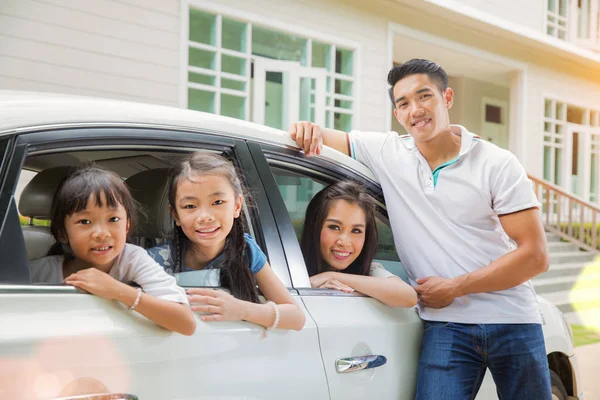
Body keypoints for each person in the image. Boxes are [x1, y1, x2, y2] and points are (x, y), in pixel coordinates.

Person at [289, 59, 551, 399]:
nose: (415, 110)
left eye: (424, 96)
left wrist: (456, 287)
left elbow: (535, 257)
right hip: (446, 325)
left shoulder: (497, 164)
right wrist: (306, 128)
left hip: (514, 319)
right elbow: (318, 138)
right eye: (404, 103)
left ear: (447, 98)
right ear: (397, 114)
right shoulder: (387, 151)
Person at [29, 165, 196, 336]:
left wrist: (118, 290)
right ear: (62, 232)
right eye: (85, 222)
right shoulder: (38, 272)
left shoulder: (132, 259)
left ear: (127, 225)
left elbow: (185, 323)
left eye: (113, 219)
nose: (102, 233)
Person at [148, 152, 305, 331]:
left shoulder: (245, 251)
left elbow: (296, 317)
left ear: (237, 206)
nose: (205, 217)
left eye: (218, 202)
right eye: (190, 206)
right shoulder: (156, 260)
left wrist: (241, 310)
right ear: (175, 214)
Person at [301, 181, 417, 307]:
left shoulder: (369, 271)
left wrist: (332, 276)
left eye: (356, 231)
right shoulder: (288, 266)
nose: (344, 242)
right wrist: (310, 284)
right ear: (314, 227)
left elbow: (408, 296)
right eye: (334, 227)